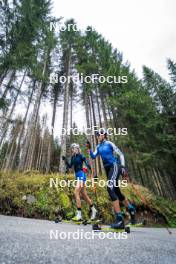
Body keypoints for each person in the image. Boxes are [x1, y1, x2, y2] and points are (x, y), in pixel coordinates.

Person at [86, 129, 136, 229]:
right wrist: (89, 149)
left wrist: (123, 167)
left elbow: (121, 154)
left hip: (115, 166)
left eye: (99, 134)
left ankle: (119, 219)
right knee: (116, 191)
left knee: (110, 188)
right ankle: (131, 209)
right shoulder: (98, 147)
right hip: (108, 169)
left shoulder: (109, 143)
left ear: (104, 135)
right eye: (97, 135)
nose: (98, 136)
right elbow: (93, 156)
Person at [62, 143, 97, 221]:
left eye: (74, 148)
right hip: (77, 176)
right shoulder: (73, 157)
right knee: (84, 195)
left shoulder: (81, 156)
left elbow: (87, 163)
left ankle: (79, 215)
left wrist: (91, 169)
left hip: (81, 175)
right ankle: (94, 209)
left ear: (78, 148)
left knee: (76, 192)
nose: (73, 150)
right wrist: (65, 160)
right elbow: (70, 166)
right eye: (72, 148)